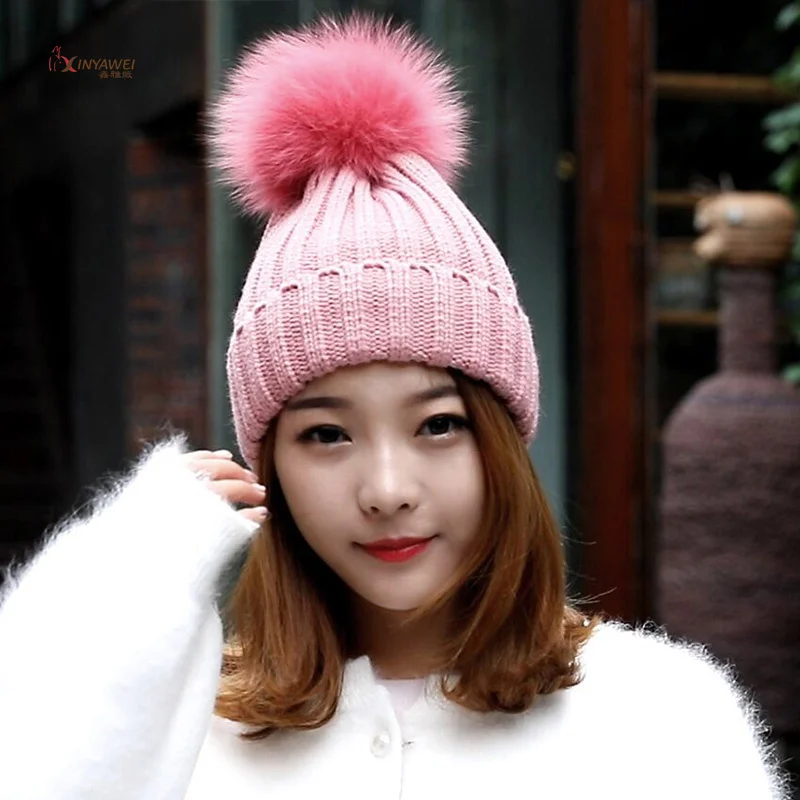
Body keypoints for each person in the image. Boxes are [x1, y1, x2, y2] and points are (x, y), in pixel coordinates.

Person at [0, 13, 789, 800]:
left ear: (502, 438)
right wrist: (130, 576)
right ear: (269, 463)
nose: (386, 489)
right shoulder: (191, 737)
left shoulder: (662, 723)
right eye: (327, 434)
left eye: (438, 425)